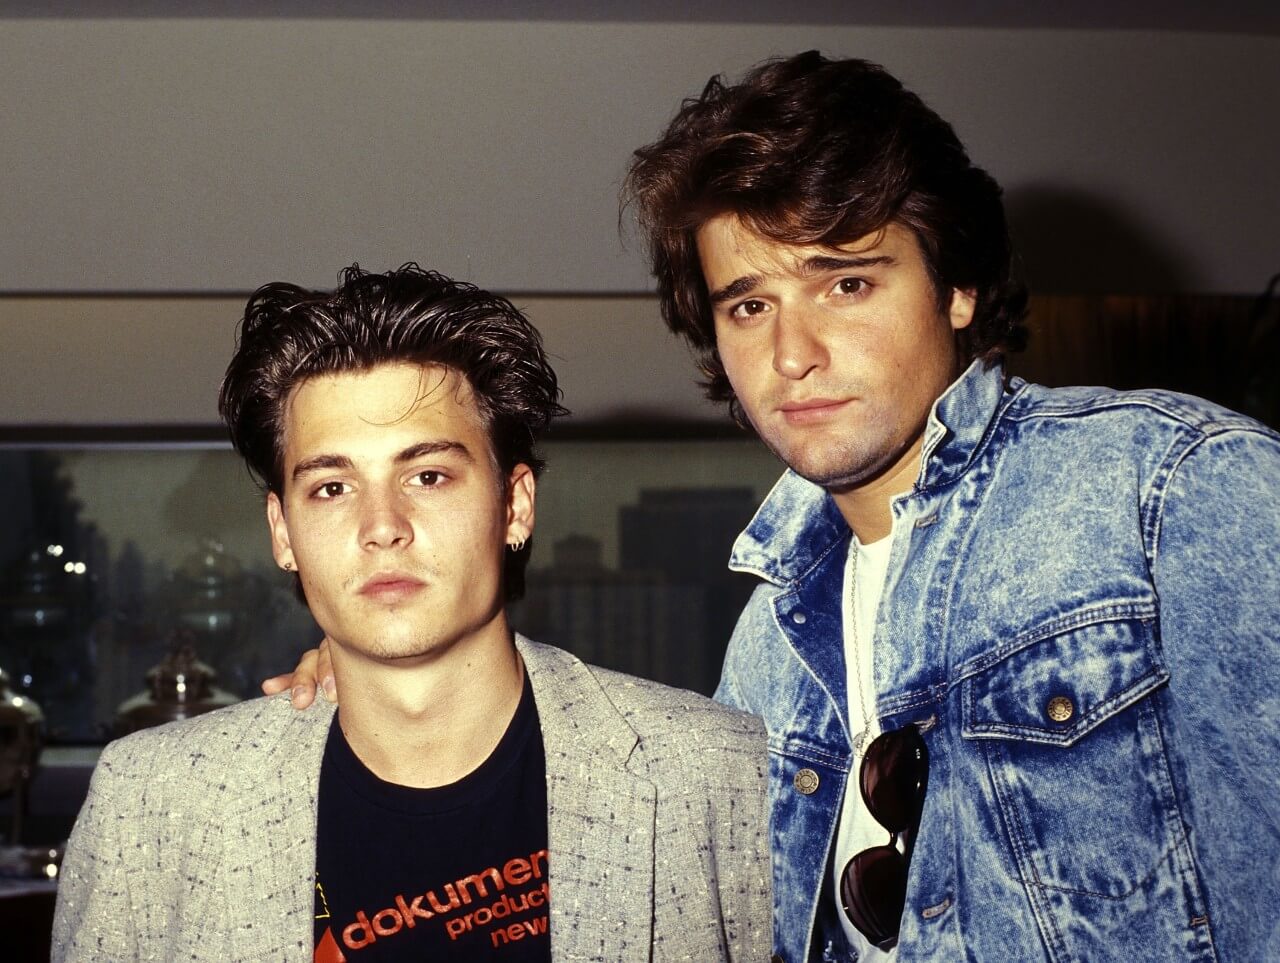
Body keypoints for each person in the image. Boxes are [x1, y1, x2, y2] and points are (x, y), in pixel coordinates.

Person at [271, 53, 1280, 963]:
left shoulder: (1172, 491)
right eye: (748, 305)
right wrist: (394, 660)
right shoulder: (766, 647)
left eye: (843, 284)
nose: (790, 355)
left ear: (957, 286)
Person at [52, 264, 772, 962]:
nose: (382, 525)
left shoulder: (713, 774)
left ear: (515, 505)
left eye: (427, 475)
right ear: (282, 533)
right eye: (332, 487)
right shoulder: (148, 806)